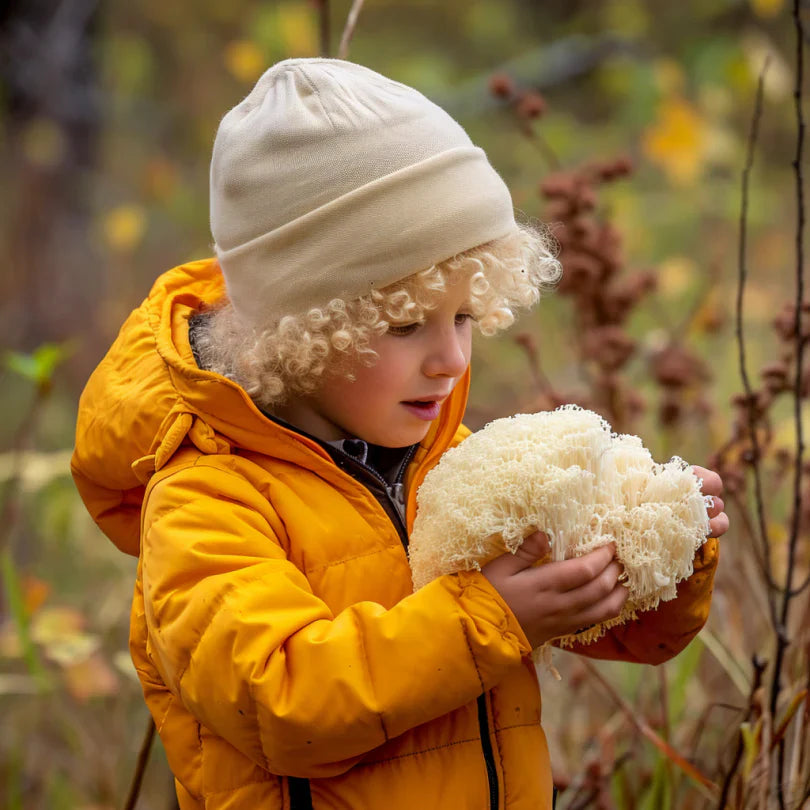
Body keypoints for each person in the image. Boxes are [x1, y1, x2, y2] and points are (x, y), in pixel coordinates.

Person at [71, 58, 728, 810]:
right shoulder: (206, 500)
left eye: (464, 317)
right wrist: (490, 619)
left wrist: (662, 549)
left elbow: (626, 634)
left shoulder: (447, 464)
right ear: (298, 334)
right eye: (407, 325)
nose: (451, 359)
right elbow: (282, 703)